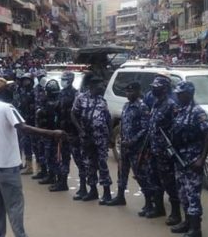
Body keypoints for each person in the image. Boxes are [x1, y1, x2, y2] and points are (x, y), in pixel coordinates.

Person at [0, 77, 65, 237]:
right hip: (7, 165)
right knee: (15, 205)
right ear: (1, 91)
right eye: (8, 88)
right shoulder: (7, 108)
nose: (12, 90)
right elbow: (24, 128)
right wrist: (52, 133)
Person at [170, 81, 208, 237]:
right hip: (180, 160)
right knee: (182, 194)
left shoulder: (197, 112)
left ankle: (196, 231)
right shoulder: (179, 110)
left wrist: (202, 158)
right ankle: (187, 223)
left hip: (193, 160)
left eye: (181, 94)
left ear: (189, 94)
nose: (178, 96)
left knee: (193, 195)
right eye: (177, 94)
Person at [106, 82, 151, 210]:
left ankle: (149, 202)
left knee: (140, 175)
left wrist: (132, 141)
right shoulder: (126, 106)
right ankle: (120, 197)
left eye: (131, 91)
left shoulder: (142, 107)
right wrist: (117, 139)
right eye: (127, 91)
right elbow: (123, 125)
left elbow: (145, 128)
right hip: (125, 147)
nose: (128, 94)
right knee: (121, 173)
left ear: (138, 92)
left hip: (137, 149)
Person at [145, 76, 181, 225]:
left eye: (157, 87)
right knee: (154, 180)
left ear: (165, 89)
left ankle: (176, 213)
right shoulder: (156, 103)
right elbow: (152, 127)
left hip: (165, 153)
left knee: (169, 183)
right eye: (153, 86)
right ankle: (159, 208)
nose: (153, 89)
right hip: (154, 150)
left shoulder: (171, 106)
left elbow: (177, 129)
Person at [71, 76, 113, 205]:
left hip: (101, 139)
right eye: (99, 86)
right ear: (92, 86)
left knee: (103, 165)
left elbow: (108, 118)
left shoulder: (102, 101)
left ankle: (107, 193)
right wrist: (80, 131)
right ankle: (93, 191)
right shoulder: (81, 98)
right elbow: (73, 114)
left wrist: (109, 136)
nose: (101, 87)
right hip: (87, 138)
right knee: (89, 164)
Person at [59, 71, 85, 198]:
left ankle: (84, 187)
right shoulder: (61, 93)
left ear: (70, 80)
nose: (62, 81)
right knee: (63, 157)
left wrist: (78, 132)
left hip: (73, 132)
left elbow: (78, 116)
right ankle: (63, 182)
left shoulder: (76, 95)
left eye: (64, 79)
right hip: (63, 131)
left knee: (79, 160)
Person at [35, 79, 63, 189]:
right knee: (48, 155)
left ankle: (58, 179)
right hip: (45, 132)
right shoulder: (46, 101)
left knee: (56, 157)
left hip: (54, 133)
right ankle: (50, 175)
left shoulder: (58, 103)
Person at [14, 73, 35, 175]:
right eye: (24, 80)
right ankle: (27, 164)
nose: (25, 82)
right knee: (23, 143)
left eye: (27, 80)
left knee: (29, 144)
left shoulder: (34, 93)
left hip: (31, 122)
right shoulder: (21, 92)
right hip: (22, 121)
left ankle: (31, 166)